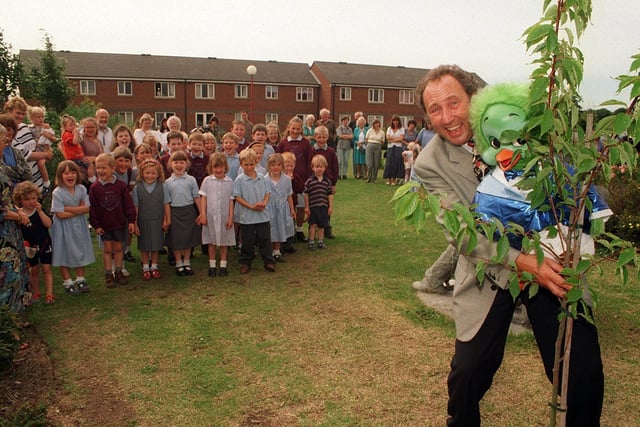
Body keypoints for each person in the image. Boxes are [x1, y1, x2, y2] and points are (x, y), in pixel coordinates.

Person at [412, 64, 603, 426]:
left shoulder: (526, 131)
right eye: (435, 109)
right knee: (467, 375)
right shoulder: (430, 163)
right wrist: (523, 262)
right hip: (490, 271)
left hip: (553, 261)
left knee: (582, 370)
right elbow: (463, 234)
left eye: (454, 103)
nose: (447, 117)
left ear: (475, 100)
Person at [89, 153, 136, 288]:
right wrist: (96, 225)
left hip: (119, 223)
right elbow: (93, 208)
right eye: (98, 168)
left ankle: (119, 271)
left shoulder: (120, 185)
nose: (100, 171)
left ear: (112, 168)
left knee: (118, 248)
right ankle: (109, 274)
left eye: (104, 168)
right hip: (104, 224)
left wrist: (132, 220)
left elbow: (128, 204)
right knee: (107, 249)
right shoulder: (95, 187)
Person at [50, 161, 95, 295]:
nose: (70, 176)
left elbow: (87, 208)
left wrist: (68, 208)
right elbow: (59, 214)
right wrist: (78, 209)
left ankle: (80, 279)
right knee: (64, 251)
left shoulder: (81, 189)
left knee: (79, 249)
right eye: (66, 173)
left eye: (73, 172)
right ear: (60, 175)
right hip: (63, 228)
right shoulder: (57, 192)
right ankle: (68, 282)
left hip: (79, 225)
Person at [0, 124, 31, 312]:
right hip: (3, 234)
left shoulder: (2, 165)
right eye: (2, 138)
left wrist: (17, 210)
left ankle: (17, 318)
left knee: (16, 273)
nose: (6, 141)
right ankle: (7, 324)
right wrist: (16, 215)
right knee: (6, 278)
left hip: (11, 230)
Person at [233, 148, 276, 274]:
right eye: (246, 164)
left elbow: (268, 193)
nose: (249, 167)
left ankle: (269, 261)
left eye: (251, 164)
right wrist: (251, 206)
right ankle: (245, 262)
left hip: (262, 215)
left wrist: (263, 203)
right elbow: (237, 197)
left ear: (256, 163)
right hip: (247, 217)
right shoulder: (239, 180)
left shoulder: (263, 178)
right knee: (247, 241)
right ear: (241, 164)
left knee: (265, 239)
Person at [14, 181, 54, 305]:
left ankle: (49, 293)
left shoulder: (39, 210)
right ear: (20, 200)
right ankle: (35, 292)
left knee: (47, 268)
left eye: (34, 198)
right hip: (29, 246)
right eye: (27, 199)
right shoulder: (19, 215)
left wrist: (41, 211)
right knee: (34, 270)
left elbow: (48, 224)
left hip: (44, 242)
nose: (31, 202)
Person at [4, 96, 53, 193]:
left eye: (23, 114)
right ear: (9, 111)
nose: (21, 116)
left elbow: (37, 142)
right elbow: (26, 155)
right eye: (18, 113)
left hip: (38, 179)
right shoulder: (7, 133)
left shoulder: (24, 127)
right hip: (24, 185)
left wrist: (47, 147)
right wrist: (46, 154)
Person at [276, 116, 314, 243]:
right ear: (288, 128)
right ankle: (288, 231)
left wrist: (308, 179)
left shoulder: (305, 143)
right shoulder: (283, 143)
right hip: (285, 180)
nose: (295, 131)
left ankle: (299, 229)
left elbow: (310, 161)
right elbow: (277, 160)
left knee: (301, 206)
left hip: (301, 180)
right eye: (293, 128)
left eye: (298, 129)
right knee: (288, 205)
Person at [132, 159, 171, 281]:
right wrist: (135, 223)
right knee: (144, 245)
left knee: (156, 244)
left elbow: (166, 204)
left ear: (158, 174)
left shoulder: (163, 186)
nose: (150, 176)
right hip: (143, 220)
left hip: (157, 219)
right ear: (142, 173)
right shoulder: (137, 188)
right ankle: (145, 268)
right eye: (147, 173)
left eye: (153, 173)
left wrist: (167, 219)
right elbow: (136, 207)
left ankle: (154, 267)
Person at [197, 152, 235, 277]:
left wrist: (230, 217)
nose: (218, 170)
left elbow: (231, 201)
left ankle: (223, 265)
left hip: (224, 216)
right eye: (215, 167)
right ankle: (212, 265)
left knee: (224, 241)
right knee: (211, 241)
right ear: (211, 168)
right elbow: (203, 198)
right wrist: (202, 214)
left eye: (221, 167)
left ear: (225, 167)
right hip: (210, 216)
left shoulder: (229, 182)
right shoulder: (207, 181)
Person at [165, 151, 202, 276]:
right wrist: (167, 218)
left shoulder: (191, 180)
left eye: (182, 162)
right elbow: (167, 202)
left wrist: (201, 213)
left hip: (188, 211)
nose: (179, 165)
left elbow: (196, 197)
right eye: (176, 162)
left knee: (188, 238)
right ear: (171, 164)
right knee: (176, 239)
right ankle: (178, 263)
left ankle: (186, 262)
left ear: (186, 164)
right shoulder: (168, 182)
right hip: (175, 212)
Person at [265, 153, 295, 262]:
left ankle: (277, 251)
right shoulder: (264, 179)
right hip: (269, 208)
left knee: (279, 228)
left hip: (282, 208)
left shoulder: (286, 179)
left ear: (282, 166)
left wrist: (292, 209)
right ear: (269, 166)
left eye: (278, 165)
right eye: (273, 165)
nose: (275, 167)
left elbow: (289, 195)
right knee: (270, 229)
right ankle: (268, 251)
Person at [312, 126, 338, 239]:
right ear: (315, 137)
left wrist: (334, 183)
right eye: (319, 137)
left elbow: (335, 167)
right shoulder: (311, 150)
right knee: (316, 206)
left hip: (327, 183)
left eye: (323, 137)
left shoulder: (331, 152)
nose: (321, 140)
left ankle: (327, 228)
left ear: (327, 137)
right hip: (314, 183)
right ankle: (315, 228)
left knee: (326, 206)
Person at [304, 154, 334, 250]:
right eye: (317, 167)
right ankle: (311, 241)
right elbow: (306, 194)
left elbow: (330, 194)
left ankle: (320, 241)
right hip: (313, 207)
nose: (319, 169)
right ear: (312, 168)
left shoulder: (327, 181)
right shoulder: (309, 181)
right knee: (313, 224)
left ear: (325, 168)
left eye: (321, 167)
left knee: (322, 225)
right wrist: (307, 207)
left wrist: (330, 207)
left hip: (323, 207)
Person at [28, 106, 56, 194]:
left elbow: (54, 139)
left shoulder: (46, 127)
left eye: (42, 117)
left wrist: (46, 134)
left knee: (41, 164)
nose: (41, 119)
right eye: (38, 117)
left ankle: (46, 182)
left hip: (44, 150)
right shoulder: (29, 128)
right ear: (32, 118)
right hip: (34, 150)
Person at [0, 114, 32, 186]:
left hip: (21, 193)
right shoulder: (0, 152)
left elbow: (28, 175)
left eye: (8, 129)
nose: (6, 133)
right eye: (3, 130)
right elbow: (5, 175)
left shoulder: (17, 152)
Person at [76, 117, 104, 182]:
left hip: (97, 174)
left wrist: (94, 158)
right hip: (83, 173)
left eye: (92, 127)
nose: (89, 129)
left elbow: (102, 157)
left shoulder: (98, 141)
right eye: (87, 127)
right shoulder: (81, 139)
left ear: (96, 128)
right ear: (84, 129)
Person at [383, 115, 405, 186]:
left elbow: (401, 139)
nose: (395, 122)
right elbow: (387, 138)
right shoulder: (389, 128)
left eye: (396, 121)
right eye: (394, 121)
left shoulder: (401, 129)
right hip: (390, 147)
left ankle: (394, 179)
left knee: (396, 163)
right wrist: (396, 139)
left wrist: (392, 139)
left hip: (398, 148)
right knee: (389, 163)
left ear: (399, 121)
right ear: (392, 121)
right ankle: (388, 179)